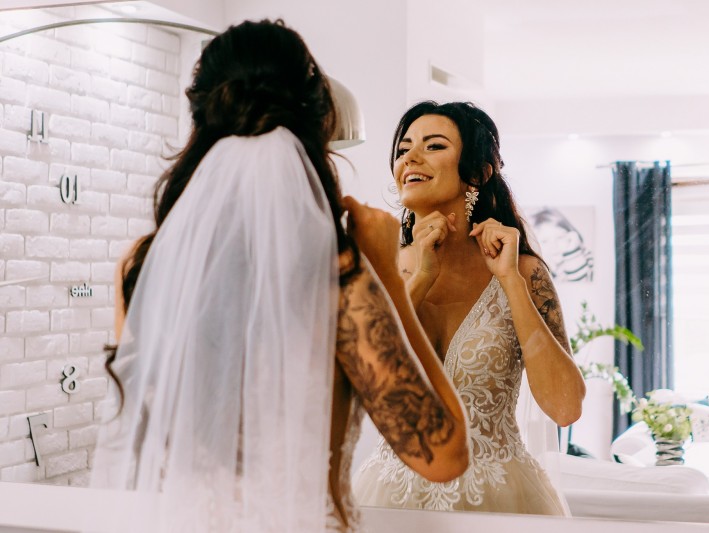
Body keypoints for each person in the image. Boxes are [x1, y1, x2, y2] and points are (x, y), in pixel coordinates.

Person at [90, 21, 468, 533]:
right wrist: (389, 280)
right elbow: (445, 455)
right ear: (316, 122)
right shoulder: (336, 278)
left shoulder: (140, 267)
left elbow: (149, 431)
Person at [353, 101, 586, 514]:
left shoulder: (523, 271)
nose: (410, 158)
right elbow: (359, 387)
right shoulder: (379, 264)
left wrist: (510, 281)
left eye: (433, 145)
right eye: (404, 148)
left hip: (500, 500)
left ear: (477, 173)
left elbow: (565, 407)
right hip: (389, 499)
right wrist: (420, 278)